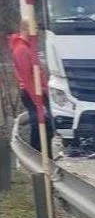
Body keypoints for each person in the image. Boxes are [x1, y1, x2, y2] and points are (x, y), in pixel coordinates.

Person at [9, 19, 52, 155]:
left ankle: (44, 154)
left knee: (46, 124)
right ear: (27, 29)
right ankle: (37, 153)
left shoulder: (27, 47)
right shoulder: (22, 49)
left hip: (37, 91)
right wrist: (38, 101)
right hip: (31, 92)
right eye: (35, 28)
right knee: (40, 123)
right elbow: (28, 78)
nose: (37, 32)